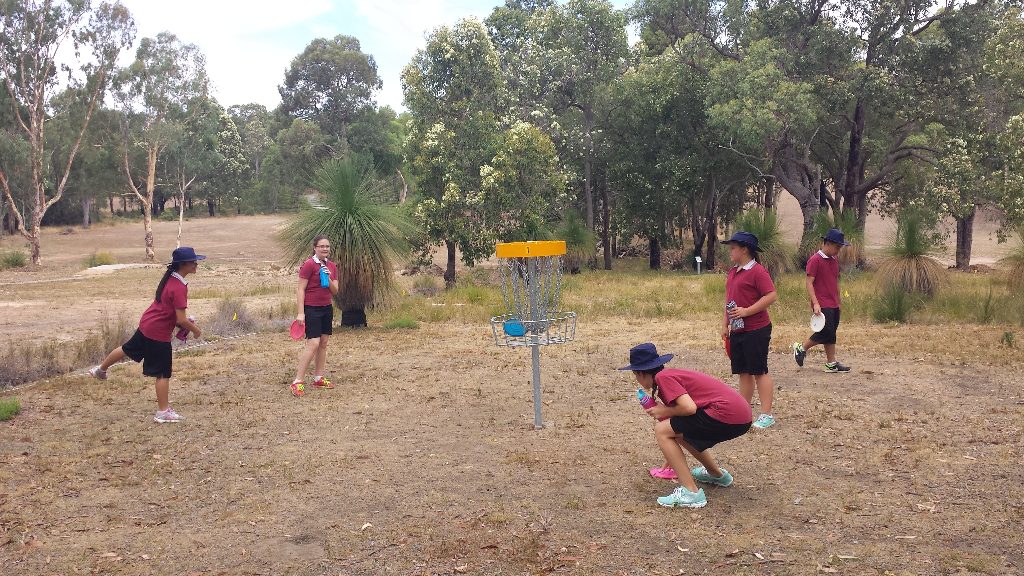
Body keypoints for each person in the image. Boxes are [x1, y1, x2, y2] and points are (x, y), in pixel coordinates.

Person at [621, 343, 752, 508]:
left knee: (662, 431)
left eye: (635, 375)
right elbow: (680, 422)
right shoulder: (669, 374)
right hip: (741, 415)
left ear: (640, 373)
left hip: (726, 414)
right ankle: (717, 475)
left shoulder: (663, 378)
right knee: (675, 430)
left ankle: (690, 493)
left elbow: (689, 408)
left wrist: (665, 410)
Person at [88, 247, 204, 423]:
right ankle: (163, 412)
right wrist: (196, 330)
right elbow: (181, 319)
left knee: (127, 348)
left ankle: (100, 370)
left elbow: (172, 312)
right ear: (183, 264)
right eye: (193, 261)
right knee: (163, 373)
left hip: (147, 323)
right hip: (157, 332)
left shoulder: (171, 278)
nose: (196, 264)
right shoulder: (179, 287)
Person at [721, 231, 779, 429]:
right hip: (737, 330)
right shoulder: (733, 271)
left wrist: (747, 311)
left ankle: (766, 414)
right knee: (743, 371)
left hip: (757, 329)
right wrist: (724, 324)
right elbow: (729, 299)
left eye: (733, 248)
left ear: (745, 250)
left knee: (759, 370)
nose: (730, 252)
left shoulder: (758, 271)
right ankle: (743, 412)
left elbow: (771, 295)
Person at [793, 228, 852, 373]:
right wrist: (815, 303)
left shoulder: (834, 260)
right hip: (821, 303)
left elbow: (835, 281)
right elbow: (809, 283)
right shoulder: (815, 260)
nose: (839, 250)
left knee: (831, 333)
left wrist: (839, 301)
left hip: (833, 302)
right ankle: (801, 347)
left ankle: (831, 363)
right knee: (826, 332)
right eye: (837, 247)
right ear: (828, 243)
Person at [291, 235, 340, 397]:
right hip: (311, 308)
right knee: (313, 343)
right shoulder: (309, 265)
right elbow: (300, 289)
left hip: (326, 307)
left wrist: (329, 278)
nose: (325, 249)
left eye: (327, 246)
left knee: (324, 343)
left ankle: (318, 377)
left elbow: (335, 291)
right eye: (321, 246)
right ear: (315, 248)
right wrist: (300, 313)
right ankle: (297, 381)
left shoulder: (332, 266)